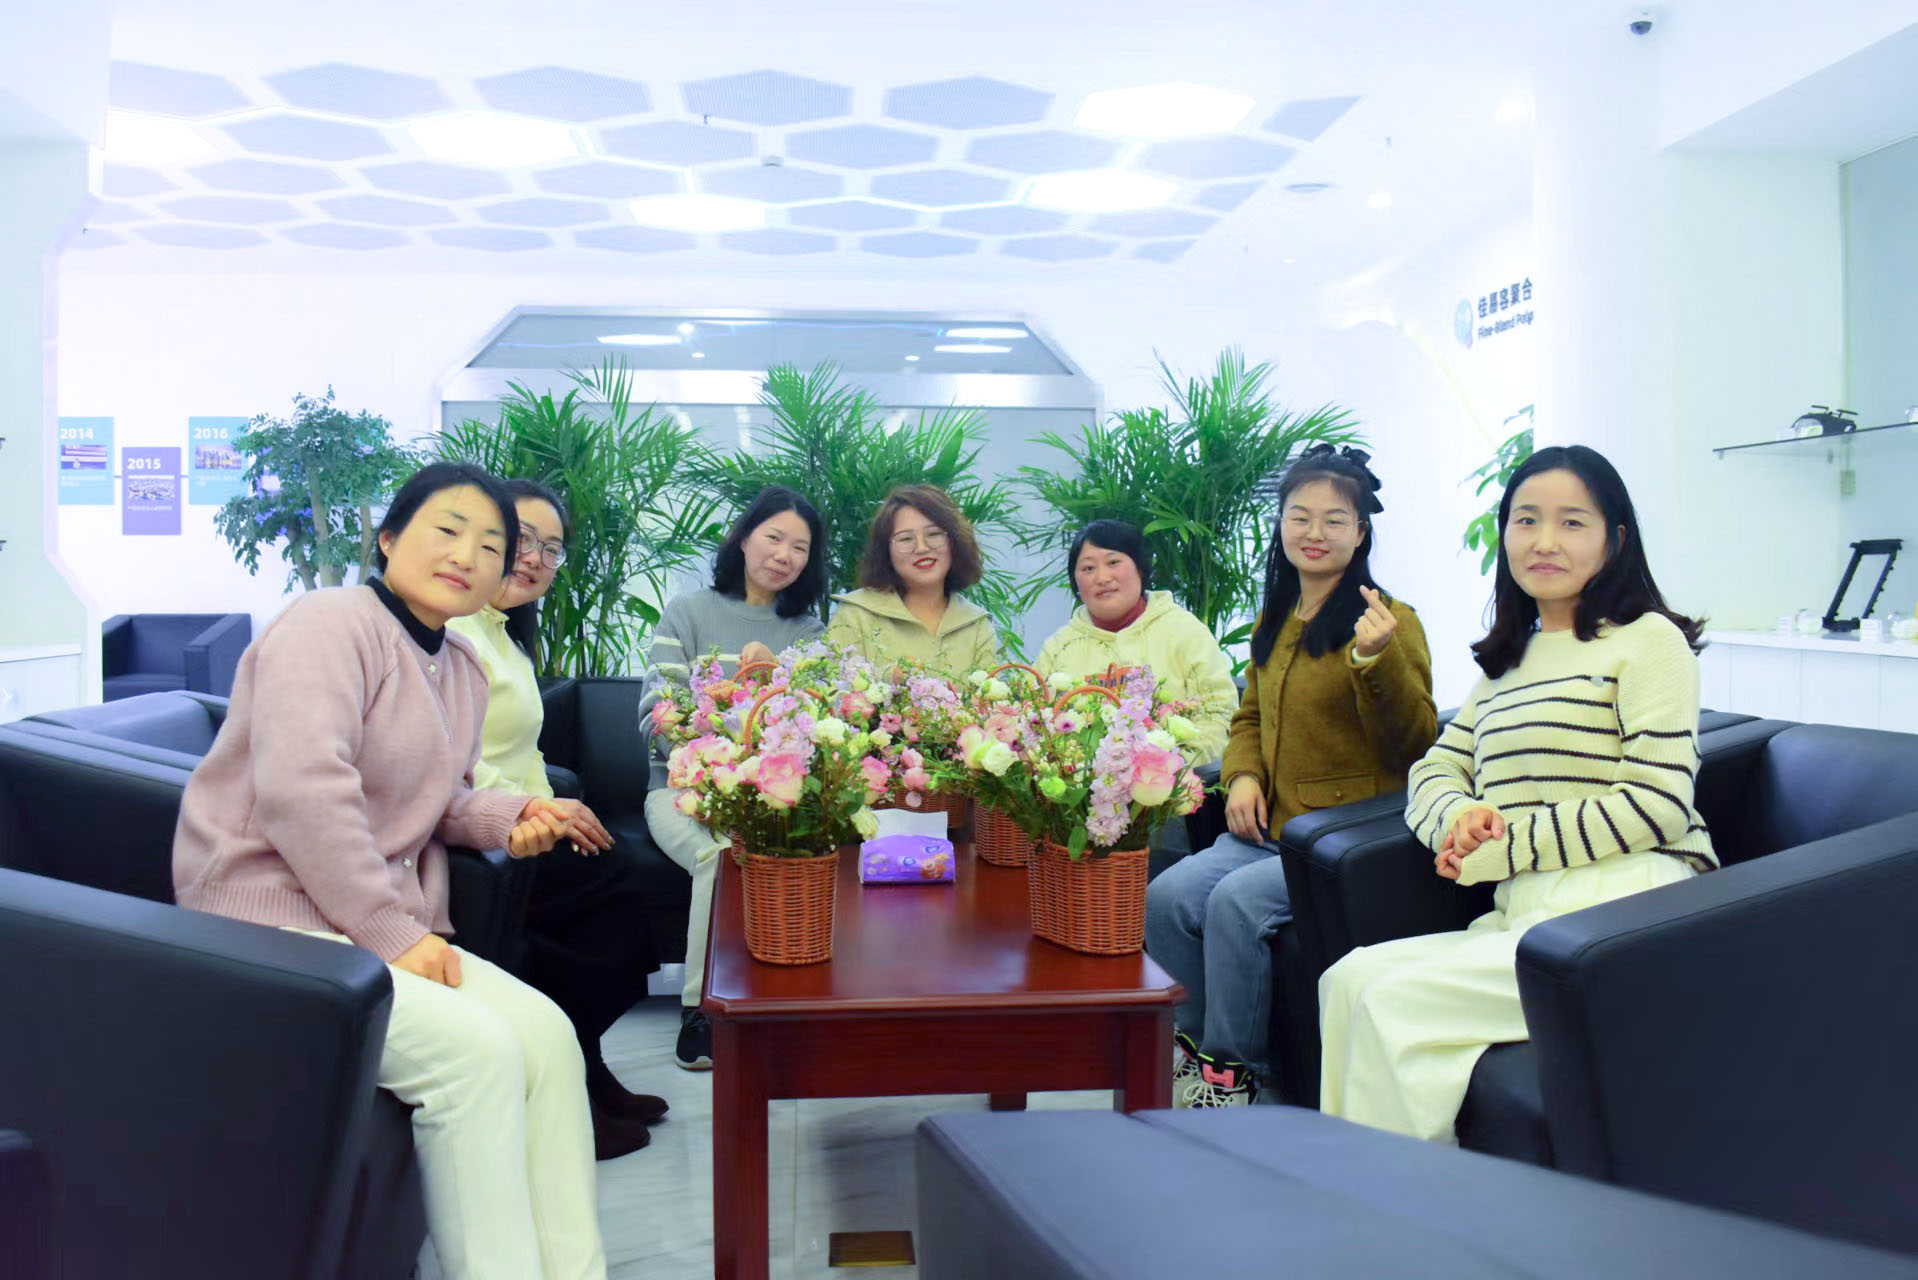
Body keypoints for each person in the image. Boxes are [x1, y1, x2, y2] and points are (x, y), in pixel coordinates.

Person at [173, 462, 607, 1280]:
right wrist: (390, 934)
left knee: (548, 1038)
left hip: (369, 925)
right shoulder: (328, 624)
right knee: (476, 1054)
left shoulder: (461, 666)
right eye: (447, 529)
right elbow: (303, 789)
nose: (468, 555)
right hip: (272, 923)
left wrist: (513, 815)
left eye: (492, 545)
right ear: (388, 537)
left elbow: (442, 799)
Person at [1318, 444, 1714, 1143]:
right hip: (1527, 908)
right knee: (1347, 980)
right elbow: (1433, 771)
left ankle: (1389, 1205)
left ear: (1616, 538)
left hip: (1630, 903)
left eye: (1572, 522)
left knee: (1391, 1003)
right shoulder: (1512, 660)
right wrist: (1459, 820)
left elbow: (1657, 804)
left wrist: (1499, 847)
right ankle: (1374, 1190)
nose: (1544, 541)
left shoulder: (1651, 641)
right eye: (1526, 520)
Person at [1144, 444, 1437, 1107]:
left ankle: (1234, 1076)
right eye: (1300, 516)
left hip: (1338, 840)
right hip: (1268, 829)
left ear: (1360, 532)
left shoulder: (1391, 622)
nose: (1314, 532)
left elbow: (1415, 743)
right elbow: (1248, 716)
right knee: (1165, 898)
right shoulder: (1275, 620)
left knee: (1235, 904)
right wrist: (1243, 777)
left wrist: (1375, 659)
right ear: (1281, 524)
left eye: (1334, 520)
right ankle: (1191, 1050)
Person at [447, 478, 666, 1161]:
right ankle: (563, 1094)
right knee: (605, 911)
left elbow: (526, 752)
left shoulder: (506, 635)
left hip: (529, 822)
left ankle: (586, 1065)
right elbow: (448, 762)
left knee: (621, 886)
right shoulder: (452, 633)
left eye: (552, 547)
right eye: (521, 539)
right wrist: (536, 809)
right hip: (484, 838)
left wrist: (560, 807)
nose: (534, 558)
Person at [642, 485, 829, 1070]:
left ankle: (794, 1003)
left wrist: (766, 691)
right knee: (719, 856)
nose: (784, 555)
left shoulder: (808, 632)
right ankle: (701, 1011)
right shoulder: (688, 611)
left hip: (773, 797)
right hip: (682, 791)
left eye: (800, 547)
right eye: (774, 537)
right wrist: (714, 754)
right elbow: (657, 711)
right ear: (745, 539)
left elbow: (813, 723)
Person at [1035, 519, 1238, 876]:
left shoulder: (1183, 630)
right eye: (1088, 568)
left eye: (1114, 562)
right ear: (1076, 582)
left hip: (1165, 803)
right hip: (1078, 803)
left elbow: (1219, 713)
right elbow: (1036, 722)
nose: (1102, 577)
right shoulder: (1060, 646)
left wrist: (1167, 773)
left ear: (1141, 568)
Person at [823, 484, 1000, 676]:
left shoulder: (976, 624)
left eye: (934, 534)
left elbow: (990, 694)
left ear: (955, 542)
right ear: (886, 550)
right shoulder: (855, 614)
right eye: (906, 539)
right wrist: (889, 678)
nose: (922, 548)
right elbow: (833, 688)